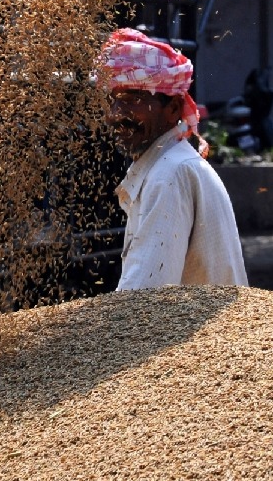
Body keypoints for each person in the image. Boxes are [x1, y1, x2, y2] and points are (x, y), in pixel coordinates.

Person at [97, 28, 248, 289]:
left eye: (133, 99)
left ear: (173, 109)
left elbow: (142, 301)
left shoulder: (168, 175)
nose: (116, 114)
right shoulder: (171, 164)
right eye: (113, 101)